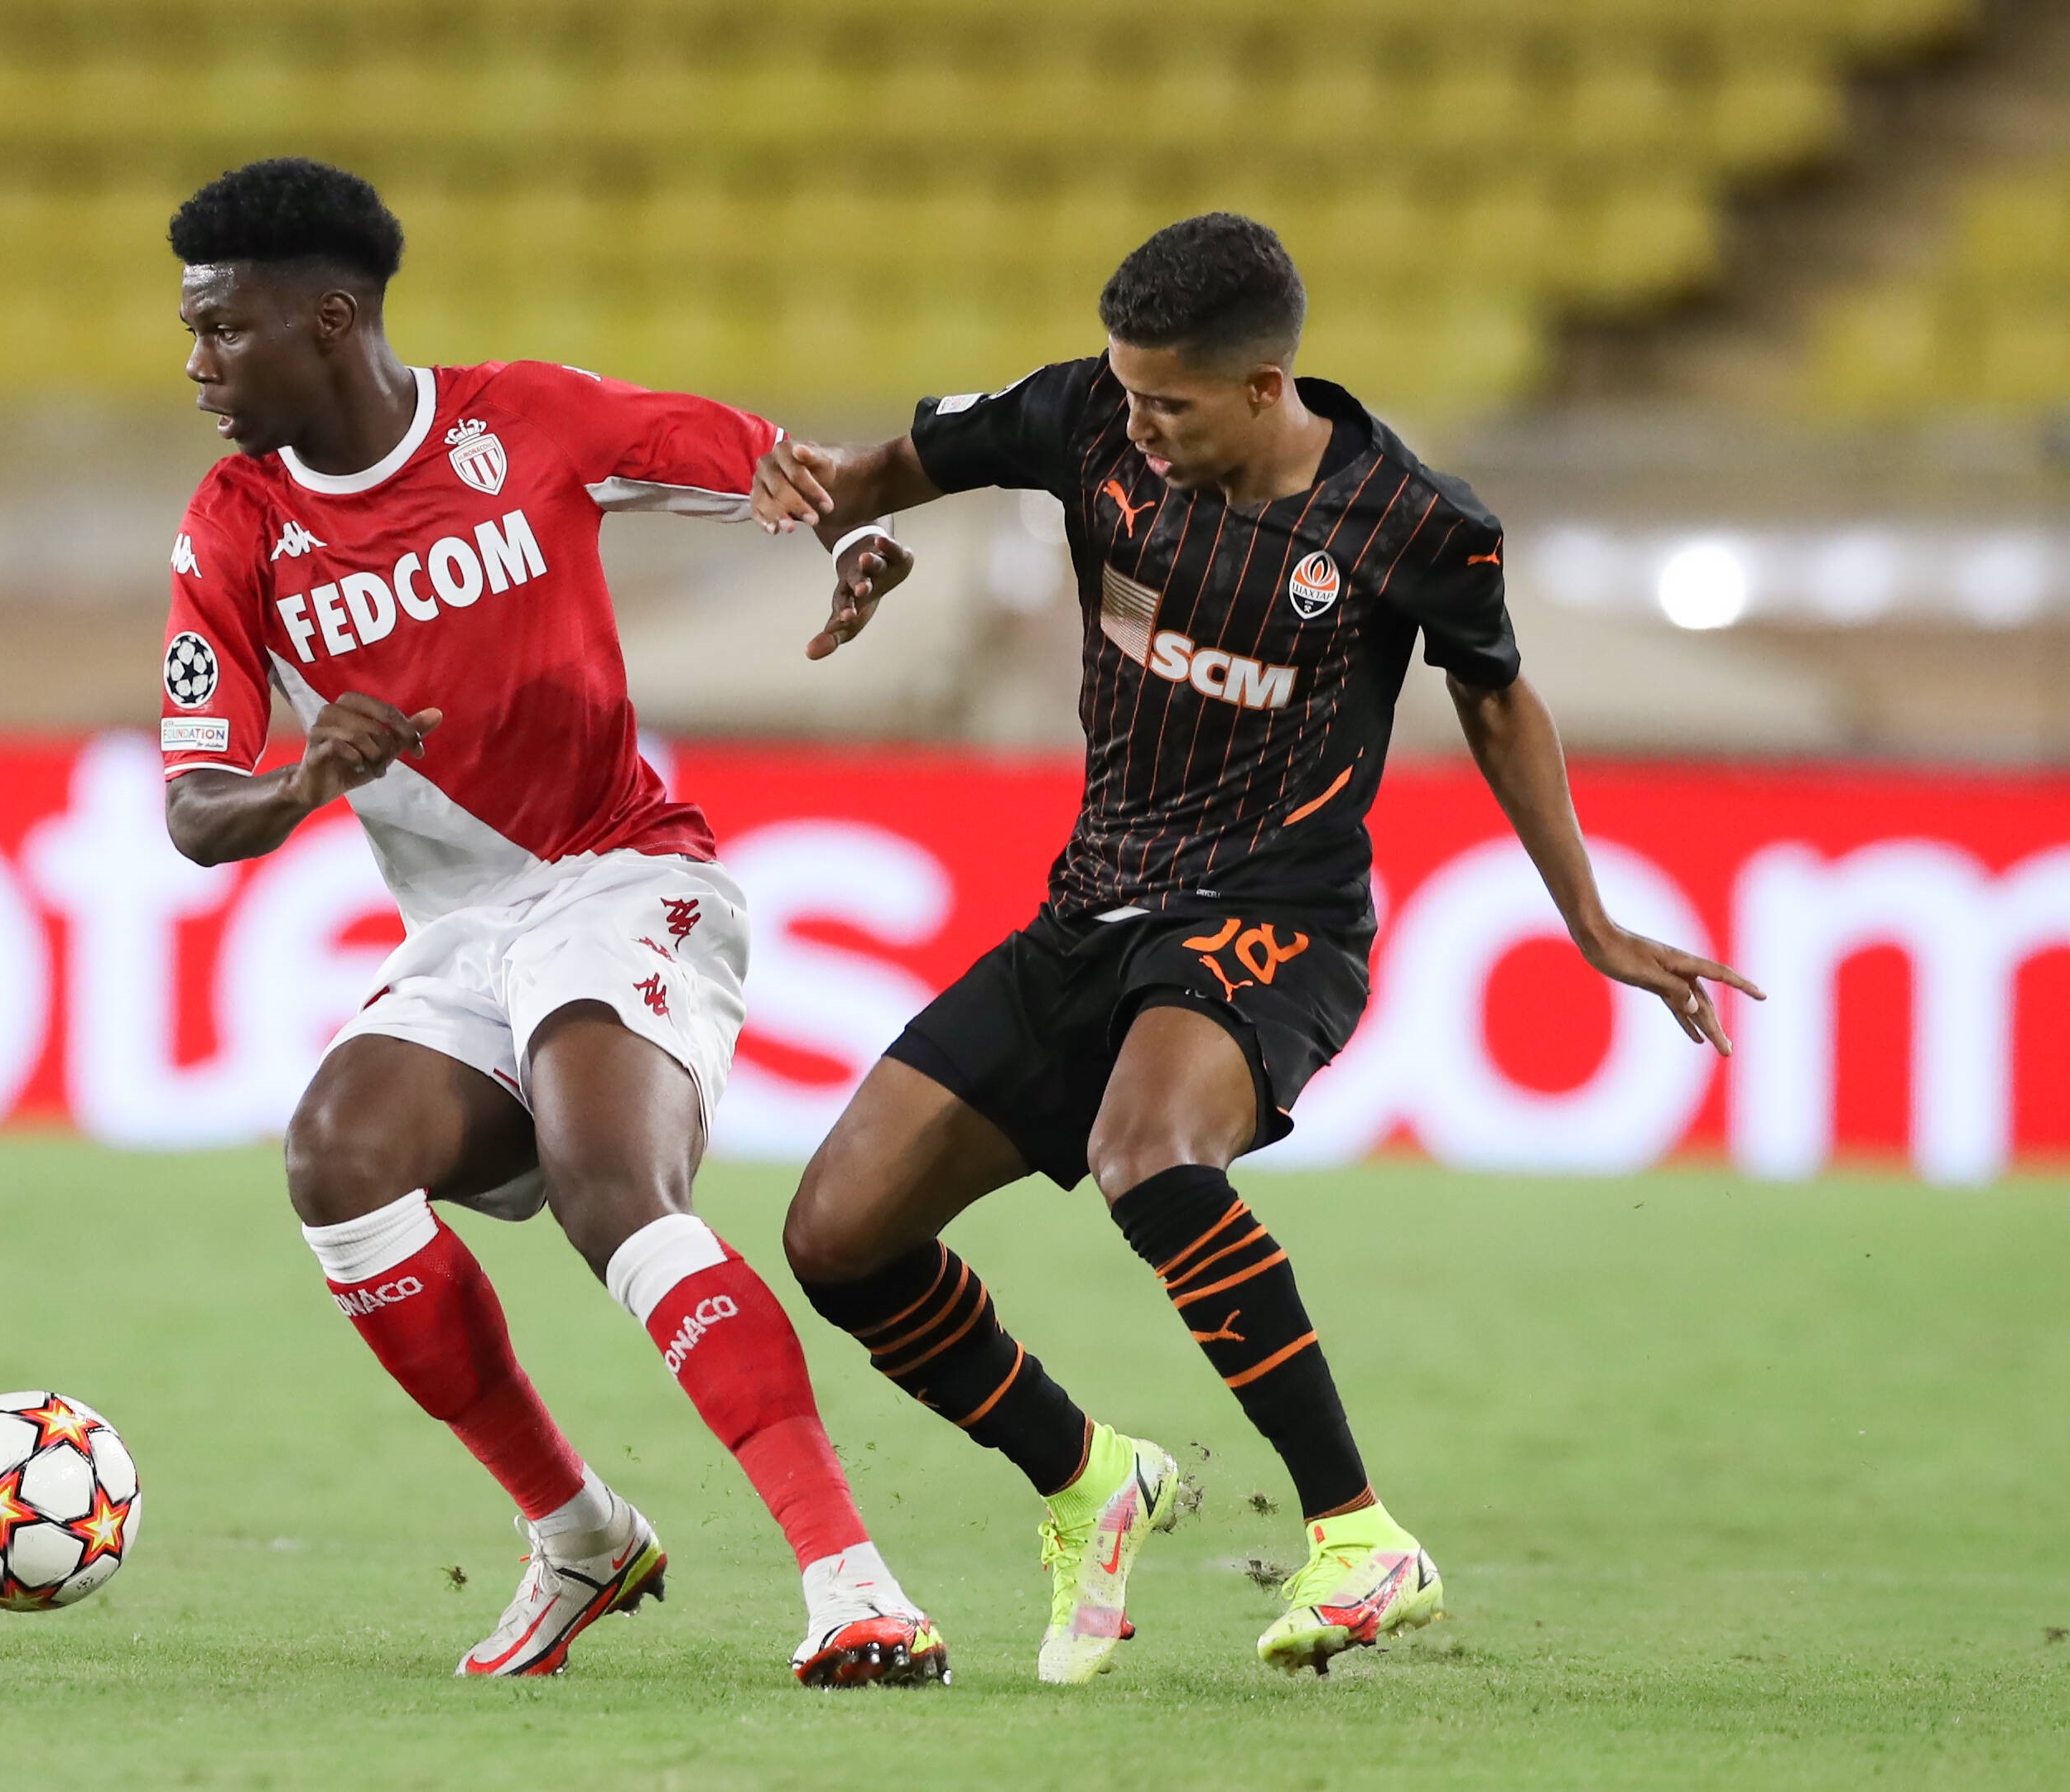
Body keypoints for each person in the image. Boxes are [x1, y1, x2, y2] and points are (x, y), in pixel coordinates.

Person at [750, 214, 1763, 1682]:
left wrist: (1589, 916)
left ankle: (1357, 1531)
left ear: (1263, 385)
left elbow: (1496, 697)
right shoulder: (1083, 416)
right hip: (1089, 906)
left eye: (1167, 401)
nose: (1136, 424)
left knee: (1149, 1151)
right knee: (836, 1236)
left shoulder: (1407, 520)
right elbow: (892, 466)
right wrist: (853, 528)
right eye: (1127, 391)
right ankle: (1088, 1474)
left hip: (1274, 918)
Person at [152, 158, 946, 1686]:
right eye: (189, 334)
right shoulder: (231, 529)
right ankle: (578, 1530)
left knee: (608, 1182)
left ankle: (856, 1584)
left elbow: (780, 468)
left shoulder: (524, 419)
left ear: (330, 319)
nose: (195, 368)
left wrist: (849, 539)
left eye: (221, 332)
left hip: (621, 871)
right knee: (339, 1159)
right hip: (462, 932)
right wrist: (305, 776)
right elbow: (193, 816)